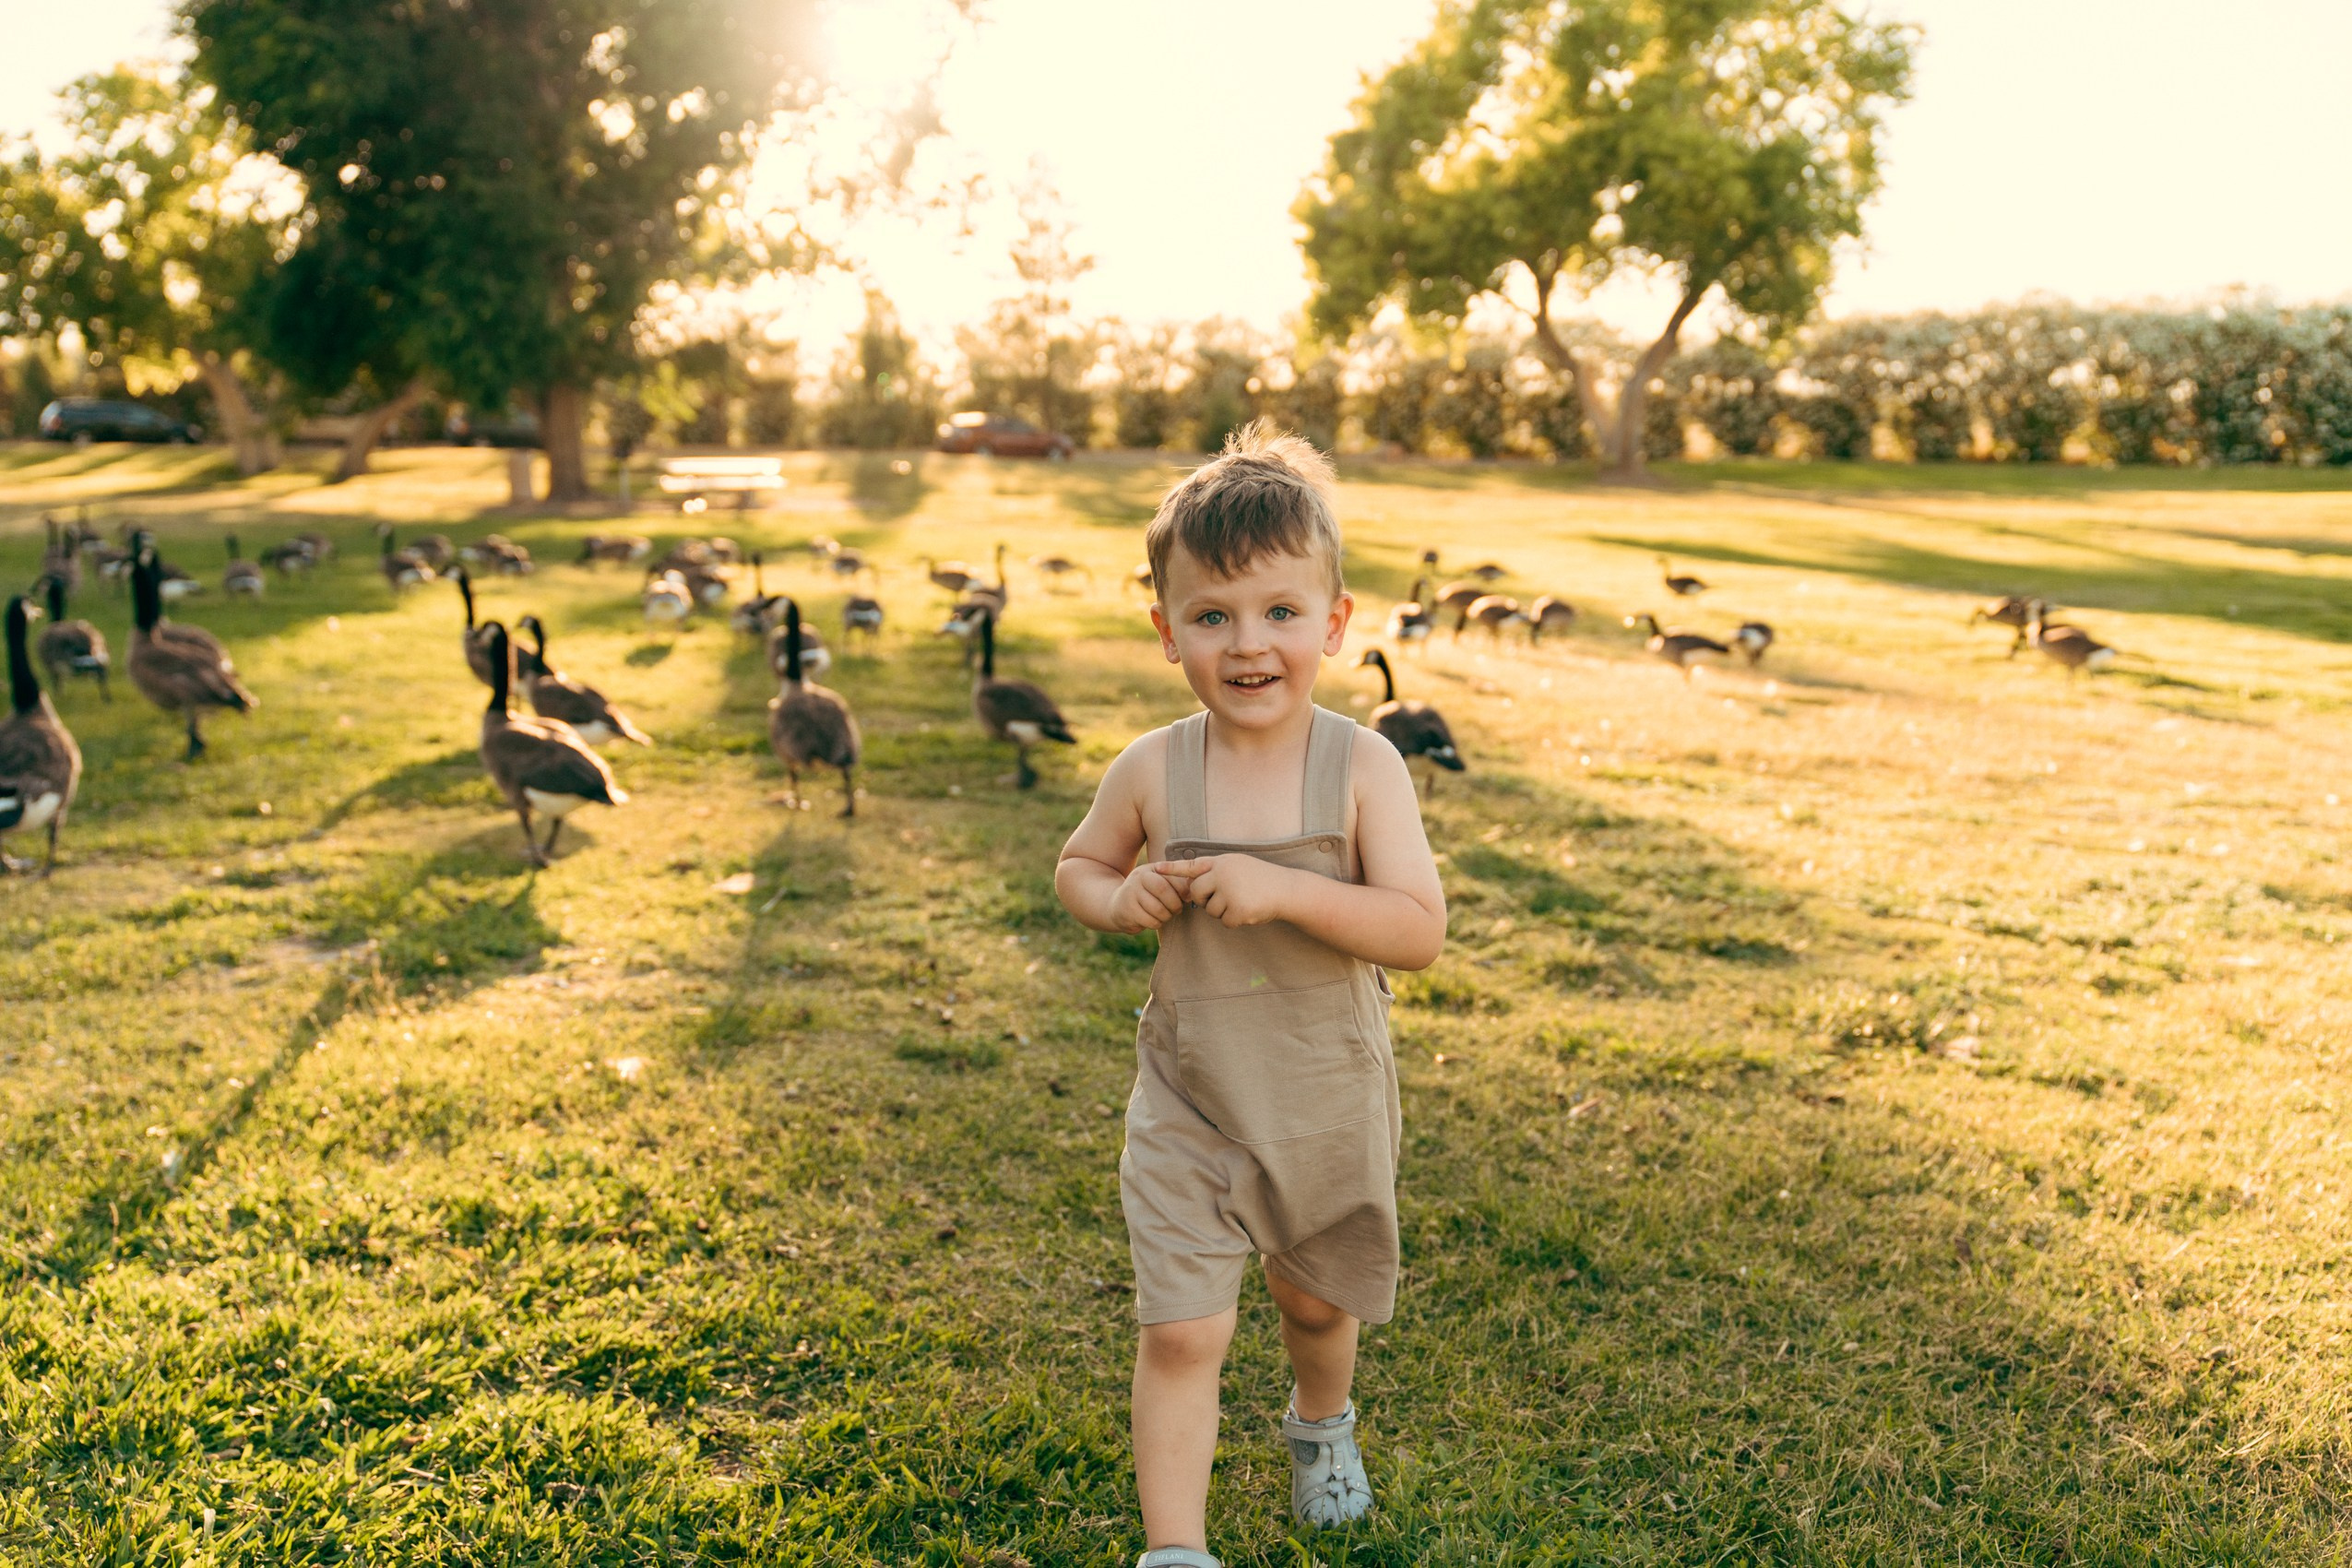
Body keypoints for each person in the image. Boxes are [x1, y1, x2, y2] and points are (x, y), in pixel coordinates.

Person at [1055, 422, 1448, 1567]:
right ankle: (1174, 1550)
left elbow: (1417, 930)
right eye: (1213, 615)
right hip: (1190, 1099)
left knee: (1316, 1304)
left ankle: (1322, 1425)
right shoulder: (1152, 767)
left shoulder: (1364, 765)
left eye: (1280, 613)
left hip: (1324, 1094)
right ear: (1165, 628)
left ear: (1334, 622)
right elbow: (1079, 864)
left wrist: (1284, 888)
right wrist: (1112, 896)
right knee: (1183, 1328)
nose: (1248, 643)